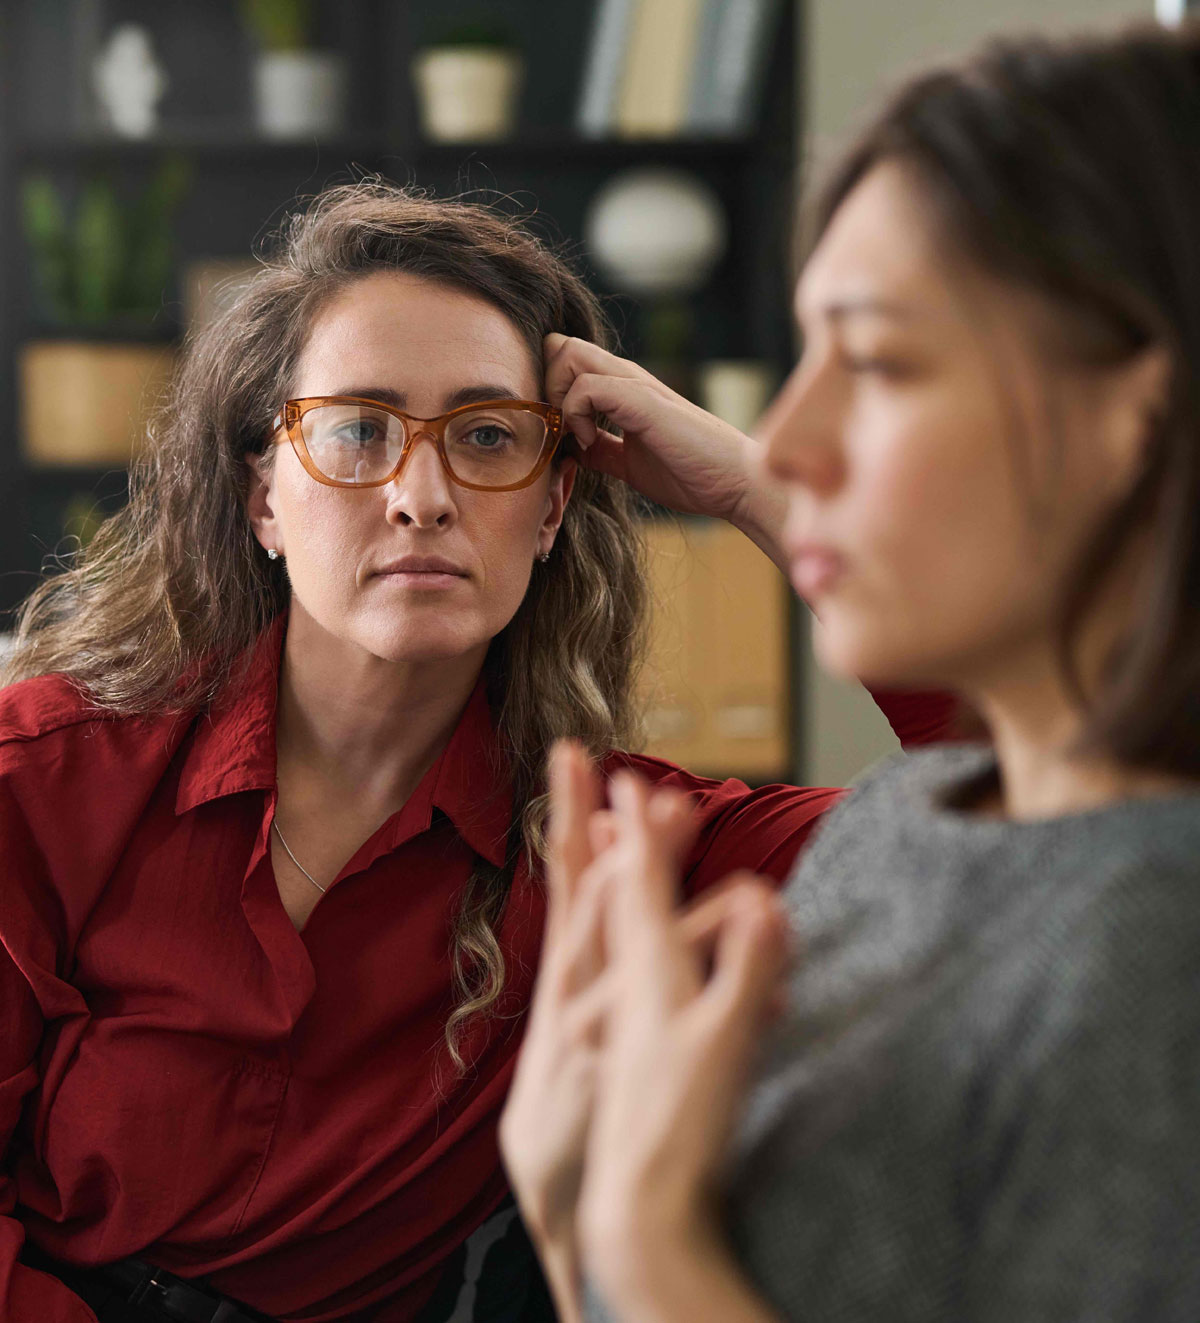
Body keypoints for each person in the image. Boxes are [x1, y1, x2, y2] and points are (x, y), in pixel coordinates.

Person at [0, 182, 950, 1323]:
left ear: (551, 511)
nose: (421, 496)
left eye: (488, 437)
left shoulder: (619, 853)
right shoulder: (45, 779)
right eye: (359, 431)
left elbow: (1039, 812)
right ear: (264, 499)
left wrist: (755, 488)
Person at [500, 20, 1200, 1323]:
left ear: (1132, 416)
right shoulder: (900, 818)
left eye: (873, 361)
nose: (789, 440)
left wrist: (643, 1235)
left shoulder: (1161, 960)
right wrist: (568, 1206)